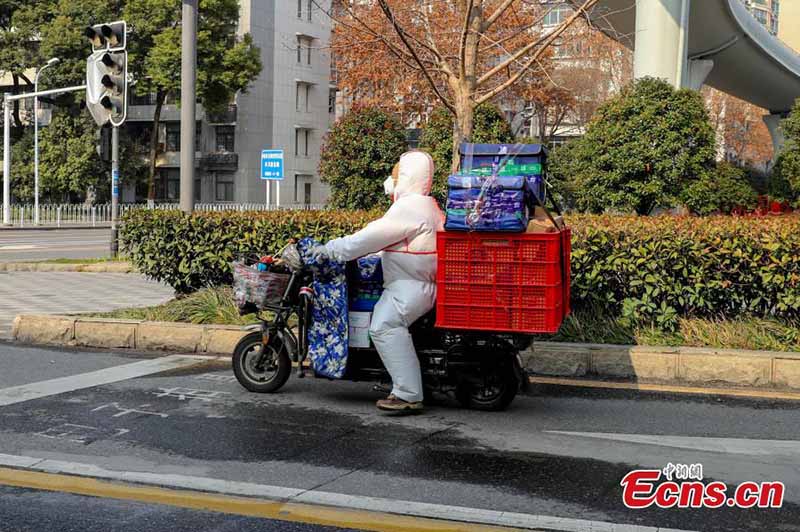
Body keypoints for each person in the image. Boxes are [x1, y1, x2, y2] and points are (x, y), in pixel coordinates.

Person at [319, 150, 444, 412]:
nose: (393, 178)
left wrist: (328, 249)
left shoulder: (408, 209)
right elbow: (395, 242)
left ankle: (408, 394)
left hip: (408, 287)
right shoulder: (427, 205)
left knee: (383, 326)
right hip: (419, 282)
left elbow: (366, 239)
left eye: (397, 173)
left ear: (408, 177)